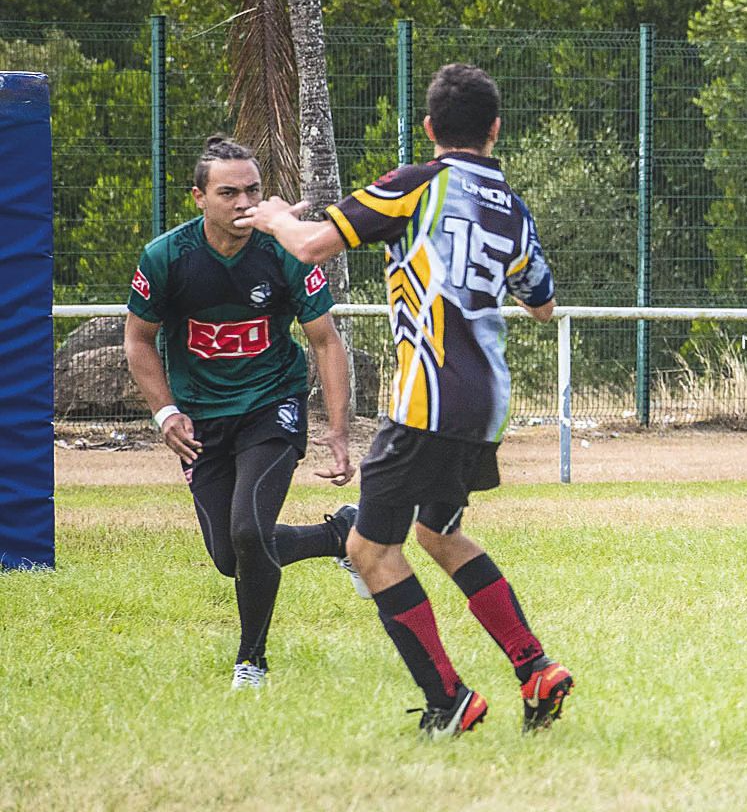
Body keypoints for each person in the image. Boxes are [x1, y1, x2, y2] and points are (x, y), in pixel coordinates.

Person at [239, 63, 574, 738]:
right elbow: (542, 305)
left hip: (429, 398)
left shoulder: (416, 184)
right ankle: (534, 666)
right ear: (496, 129)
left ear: (429, 129)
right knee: (437, 531)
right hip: (486, 402)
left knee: (369, 548)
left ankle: (448, 698)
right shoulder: (511, 202)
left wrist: (275, 218)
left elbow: (309, 244)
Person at [124, 136, 362, 691]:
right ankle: (338, 536)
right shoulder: (167, 257)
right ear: (198, 198)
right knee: (230, 556)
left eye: (253, 190)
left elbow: (325, 341)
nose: (243, 202)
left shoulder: (284, 251)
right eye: (228, 192)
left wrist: (338, 429)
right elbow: (137, 339)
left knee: (250, 534)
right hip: (200, 420)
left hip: (270, 406)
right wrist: (165, 413)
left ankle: (250, 662)